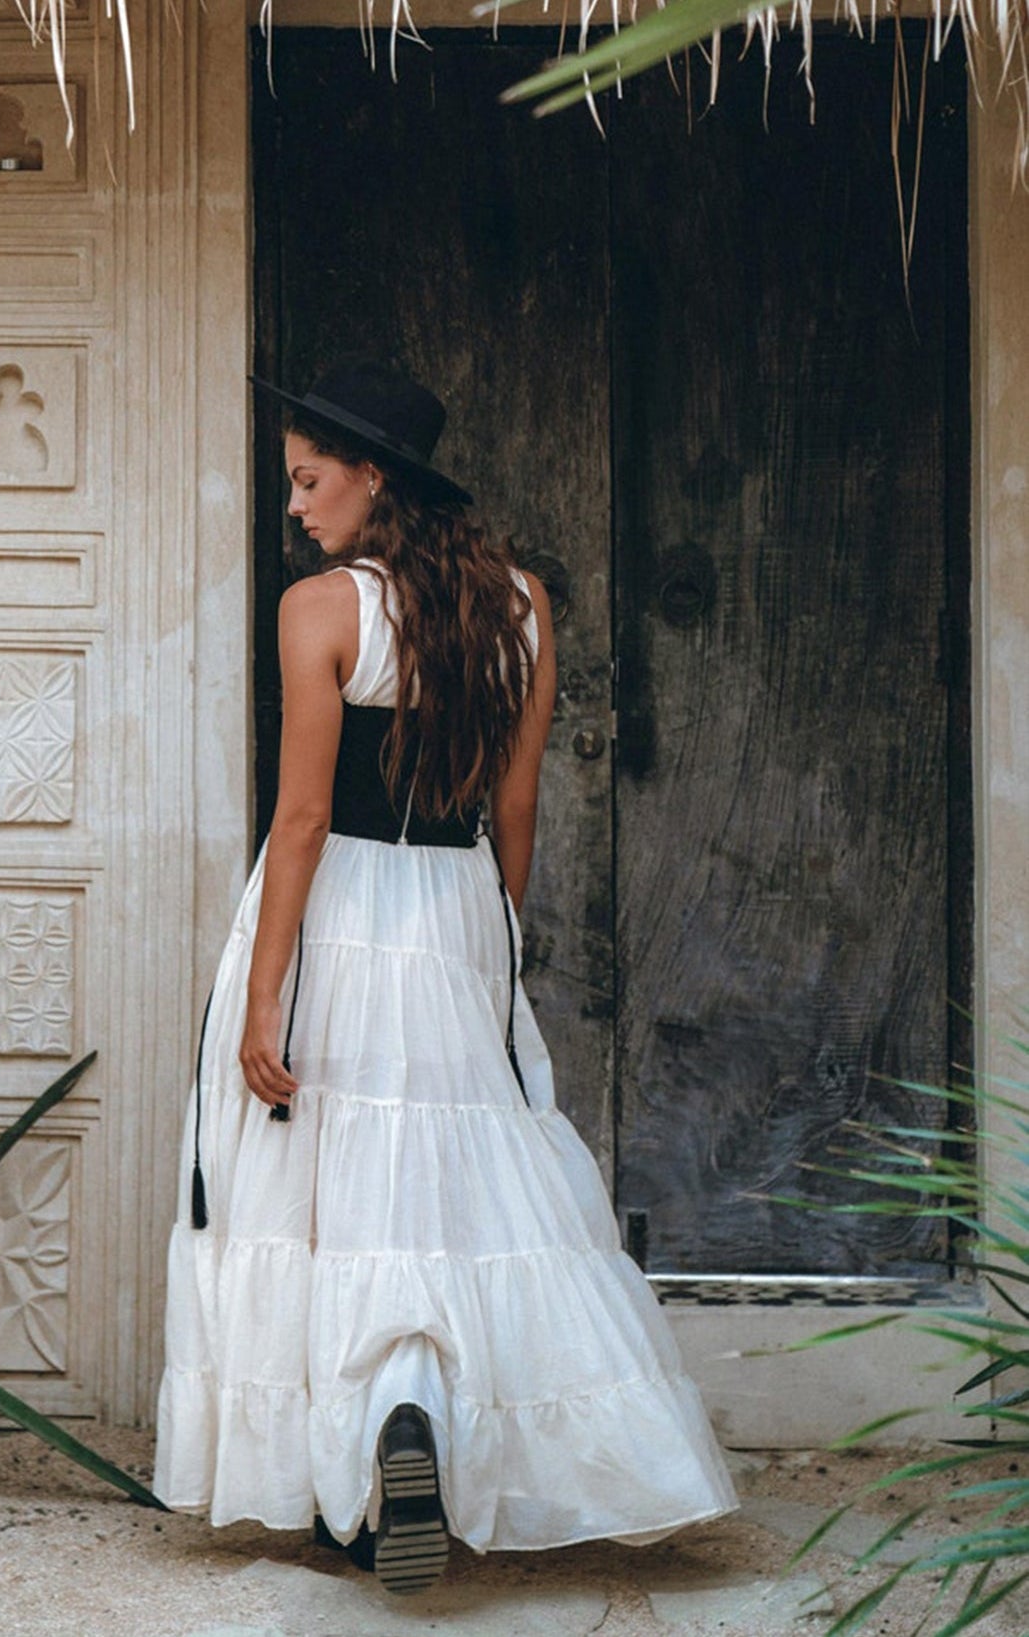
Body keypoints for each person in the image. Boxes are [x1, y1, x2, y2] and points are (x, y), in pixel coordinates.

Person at [154, 357, 737, 1595]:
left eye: (311, 482)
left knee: (325, 1187)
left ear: (375, 478)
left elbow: (303, 817)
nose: (297, 508)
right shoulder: (522, 604)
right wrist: (487, 945)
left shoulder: (322, 610)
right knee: (458, 1190)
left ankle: (370, 1462)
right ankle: (416, 1430)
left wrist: (265, 995)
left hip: (339, 903)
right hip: (457, 901)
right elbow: (516, 807)